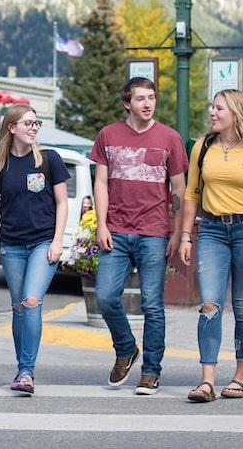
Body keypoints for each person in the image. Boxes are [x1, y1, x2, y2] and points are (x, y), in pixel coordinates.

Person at [178, 89, 243, 403]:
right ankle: (207, 380)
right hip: (211, 231)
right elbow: (192, 194)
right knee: (209, 304)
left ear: (236, 113)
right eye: (212, 106)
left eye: (218, 108)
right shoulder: (203, 147)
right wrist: (185, 235)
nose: (212, 112)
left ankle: (240, 376)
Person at [91, 76, 187, 395]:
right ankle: (126, 348)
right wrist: (101, 225)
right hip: (116, 231)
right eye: (141, 99)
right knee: (105, 296)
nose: (148, 104)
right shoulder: (108, 135)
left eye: (152, 97)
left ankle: (151, 371)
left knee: (152, 304)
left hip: (153, 231)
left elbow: (179, 189)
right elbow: (101, 183)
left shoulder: (170, 138)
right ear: (127, 103)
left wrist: (176, 231)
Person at [0, 105, 69, 396]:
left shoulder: (49, 160)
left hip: (43, 241)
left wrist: (57, 241)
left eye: (36, 123)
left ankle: (27, 371)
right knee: (18, 308)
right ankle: (22, 368)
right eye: (27, 123)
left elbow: (62, 203)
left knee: (31, 301)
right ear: (11, 127)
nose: (33, 128)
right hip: (12, 244)